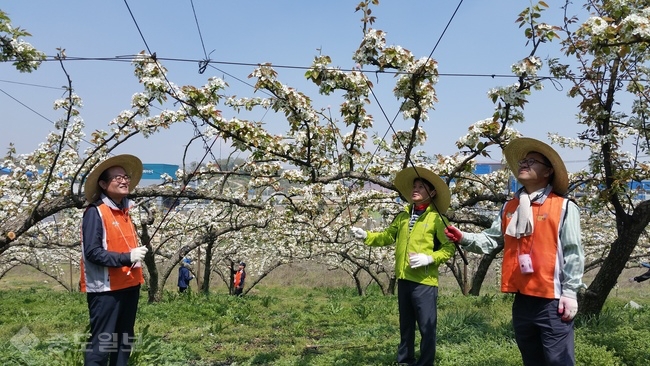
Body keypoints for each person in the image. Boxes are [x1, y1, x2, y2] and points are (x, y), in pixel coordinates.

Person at [444, 137, 585, 366]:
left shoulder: (563, 206)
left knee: (558, 361)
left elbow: (573, 252)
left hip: (552, 299)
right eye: (523, 161)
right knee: (531, 359)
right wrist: (464, 237)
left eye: (532, 161)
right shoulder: (511, 207)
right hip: (522, 299)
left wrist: (570, 293)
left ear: (548, 171)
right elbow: (490, 239)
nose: (524, 164)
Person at [350, 166, 455, 366]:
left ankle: (425, 363)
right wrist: (366, 236)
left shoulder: (437, 219)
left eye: (421, 187)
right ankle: (404, 361)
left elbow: (449, 248)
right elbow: (387, 236)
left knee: (426, 328)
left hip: (424, 281)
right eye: (414, 186)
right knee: (406, 326)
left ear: (432, 193)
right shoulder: (403, 216)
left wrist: (429, 258)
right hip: (404, 279)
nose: (415, 189)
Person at [80, 154, 148, 366]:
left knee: (124, 341)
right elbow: (92, 252)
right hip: (106, 290)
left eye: (125, 176)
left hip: (129, 285)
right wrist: (127, 257)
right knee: (102, 344)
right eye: (117, 177)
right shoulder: (95, 212)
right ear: (103, 184)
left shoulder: (127, 211)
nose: (124, 180)